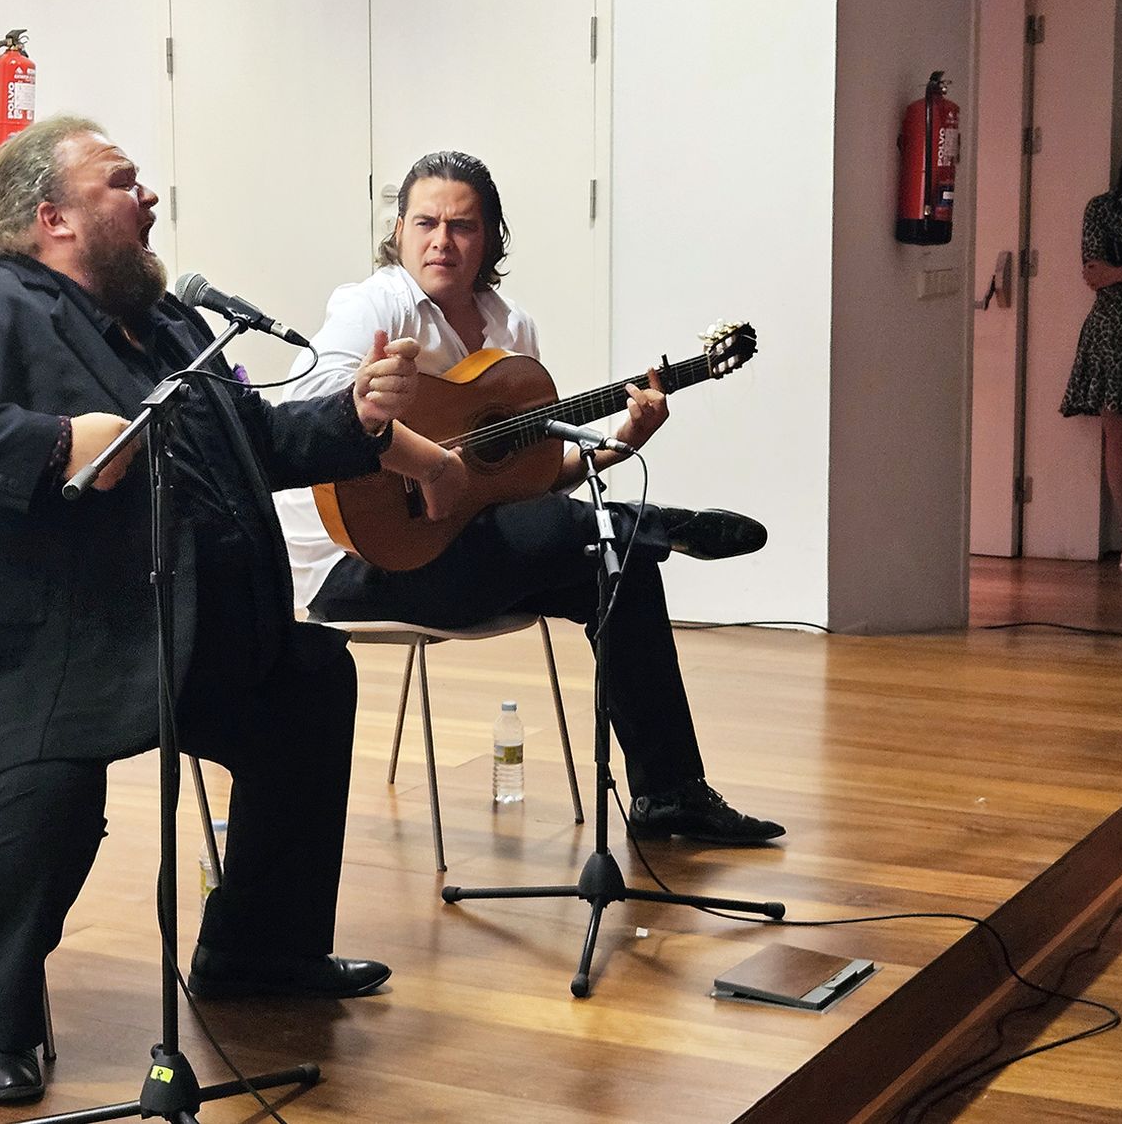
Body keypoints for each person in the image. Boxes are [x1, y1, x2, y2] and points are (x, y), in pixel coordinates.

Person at [0, 115, 420, 1105]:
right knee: (50, 781)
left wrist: (355, 420)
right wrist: (54, 442)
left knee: (308, 683)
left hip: (177, 634)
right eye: (123, 182)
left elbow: (256, 437)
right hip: (31, 655)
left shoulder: (172, 327)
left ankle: (256, 951)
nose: (148, 198)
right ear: (50, 217)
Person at [275, 150, 784, 845]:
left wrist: (621, 442)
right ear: (398, 230)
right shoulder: (376, 304)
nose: (441, 241)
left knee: (620, 560)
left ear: (490, 239)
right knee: (606, 535)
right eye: (424, 222)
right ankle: (659, 522)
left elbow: (527, 484)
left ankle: (671, 794)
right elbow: (309, 409)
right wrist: (427, 464)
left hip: (469, 550)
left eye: (462, 226)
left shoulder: (511, 333)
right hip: (360, 561)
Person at [1061, 117, 1122, 573]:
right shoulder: (1103, 208)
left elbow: (1111, 273)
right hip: (1115, 334)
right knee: (1119, 438)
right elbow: (1095, 274)